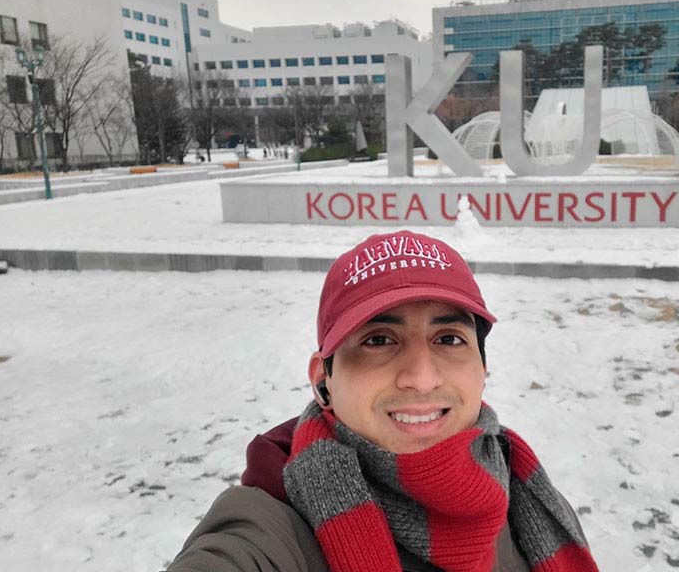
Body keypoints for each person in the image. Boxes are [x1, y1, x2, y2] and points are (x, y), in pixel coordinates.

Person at [167, 230, 599, 572]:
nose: (421, 378)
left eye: (448, 339)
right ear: (324, 382)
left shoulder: (522, 488)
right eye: (377, 340)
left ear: (483, 371)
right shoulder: (270, 527)